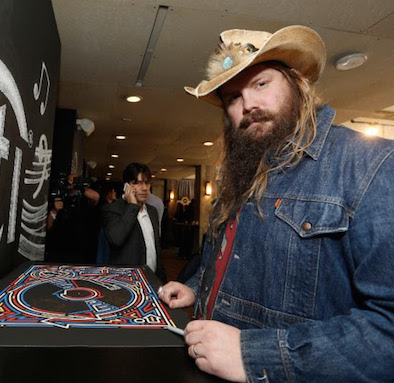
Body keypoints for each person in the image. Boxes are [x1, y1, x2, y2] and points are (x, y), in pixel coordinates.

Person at [158, 25, 394, 382]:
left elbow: (386, 330)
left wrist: (254, 356)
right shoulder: (241, 172)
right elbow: (233, 260)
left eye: (261, 84)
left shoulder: (370, 165)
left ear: (296, 81)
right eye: (233, 98)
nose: (247, 105)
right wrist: (197, 288)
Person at [101, 163, 166, 282]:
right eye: (138, 183)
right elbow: (116, 239)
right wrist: (132, 206)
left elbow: (155, 249)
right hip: (126, 283)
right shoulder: (112, 209)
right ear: (127, 186)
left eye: (146, 183)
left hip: (152, 280)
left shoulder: (152, 211)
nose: (144, 188)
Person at [45, 173, 99, 264]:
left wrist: (77, 186)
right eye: (68, 180)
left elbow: (96, 196)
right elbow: (49, 226)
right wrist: (55, 210)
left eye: (73, 180)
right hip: (59, 248)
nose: (70, 183)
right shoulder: (60, 195)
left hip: (79, 248)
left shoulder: (83, 196)